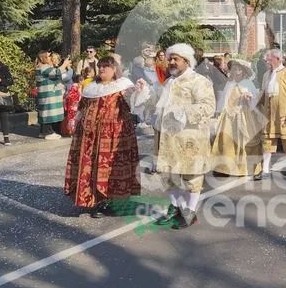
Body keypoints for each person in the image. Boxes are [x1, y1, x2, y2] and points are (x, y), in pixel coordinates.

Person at [64, 56, 145, 218]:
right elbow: (81, 108)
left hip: (114, 135)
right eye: (100, 66)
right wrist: (75, 121)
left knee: (109, 168)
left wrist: (139, 91)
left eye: (105, 67)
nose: (101, 69)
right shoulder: (91, 88)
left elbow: (132, 104)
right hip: (89, 135)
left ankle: (111, 200)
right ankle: (95, 201)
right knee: (91, 166)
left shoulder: (122, 86)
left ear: (114, 69)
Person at [152, 44, 215, 229]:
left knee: (190, 176)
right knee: (168, 175)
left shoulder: (198, 81)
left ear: (186, 61)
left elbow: (208, 106)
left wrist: (184, 112)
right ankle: (176, 207)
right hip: (166, 137)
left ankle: (190, 212)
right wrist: (141, 94)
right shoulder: (169, 82)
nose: (171, 62)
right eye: (170, 58)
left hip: (189, 137)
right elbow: (157, 105)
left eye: (175, 59)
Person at [211, 59, 264, 177]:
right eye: (234, 69)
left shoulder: (247, 84)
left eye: (239, 69)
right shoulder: (229, 83)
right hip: (229, 116)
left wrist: (249, 97)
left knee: (245, 141)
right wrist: (219, 111)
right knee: (225, 141)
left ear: (244, 71)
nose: (236, 71)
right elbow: (224, 99)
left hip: (244, 115)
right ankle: (224, 167)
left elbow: (255, 100)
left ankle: (248, 167)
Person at [258, 48, 286, 178]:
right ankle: (265, 169)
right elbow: (263, 93)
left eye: (269, 59)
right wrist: (253, 102)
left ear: (277, 59)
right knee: (267, 141)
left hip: (285, 114)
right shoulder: (266, 75)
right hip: (269, 115)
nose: (267, 62)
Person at [35, 50, 70, 140]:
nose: (51, 58)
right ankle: (48, 132)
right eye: (49, 56)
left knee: (45, 112)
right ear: (44, 58)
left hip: (47, 94)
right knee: (48, 112)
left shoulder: (42, 67)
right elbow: (57, 72)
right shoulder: (43, 68)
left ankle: (43, 132)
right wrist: (64, 64)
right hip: (48, 95)